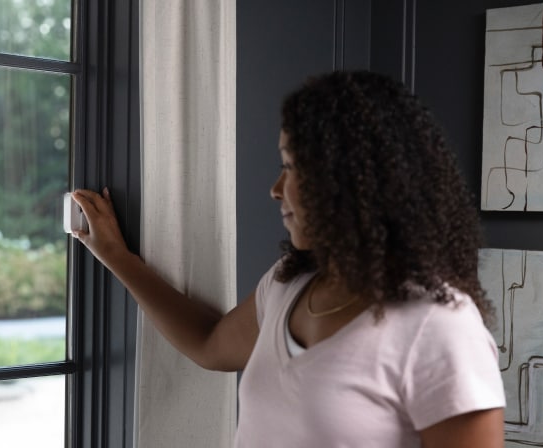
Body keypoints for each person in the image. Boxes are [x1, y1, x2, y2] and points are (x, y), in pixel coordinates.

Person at [72, 70, 505, 447]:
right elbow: (208, 344)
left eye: (291, 167)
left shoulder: (439, 328)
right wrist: (118, 257)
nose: (276, 189)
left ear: (352, 181)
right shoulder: (288, 285)